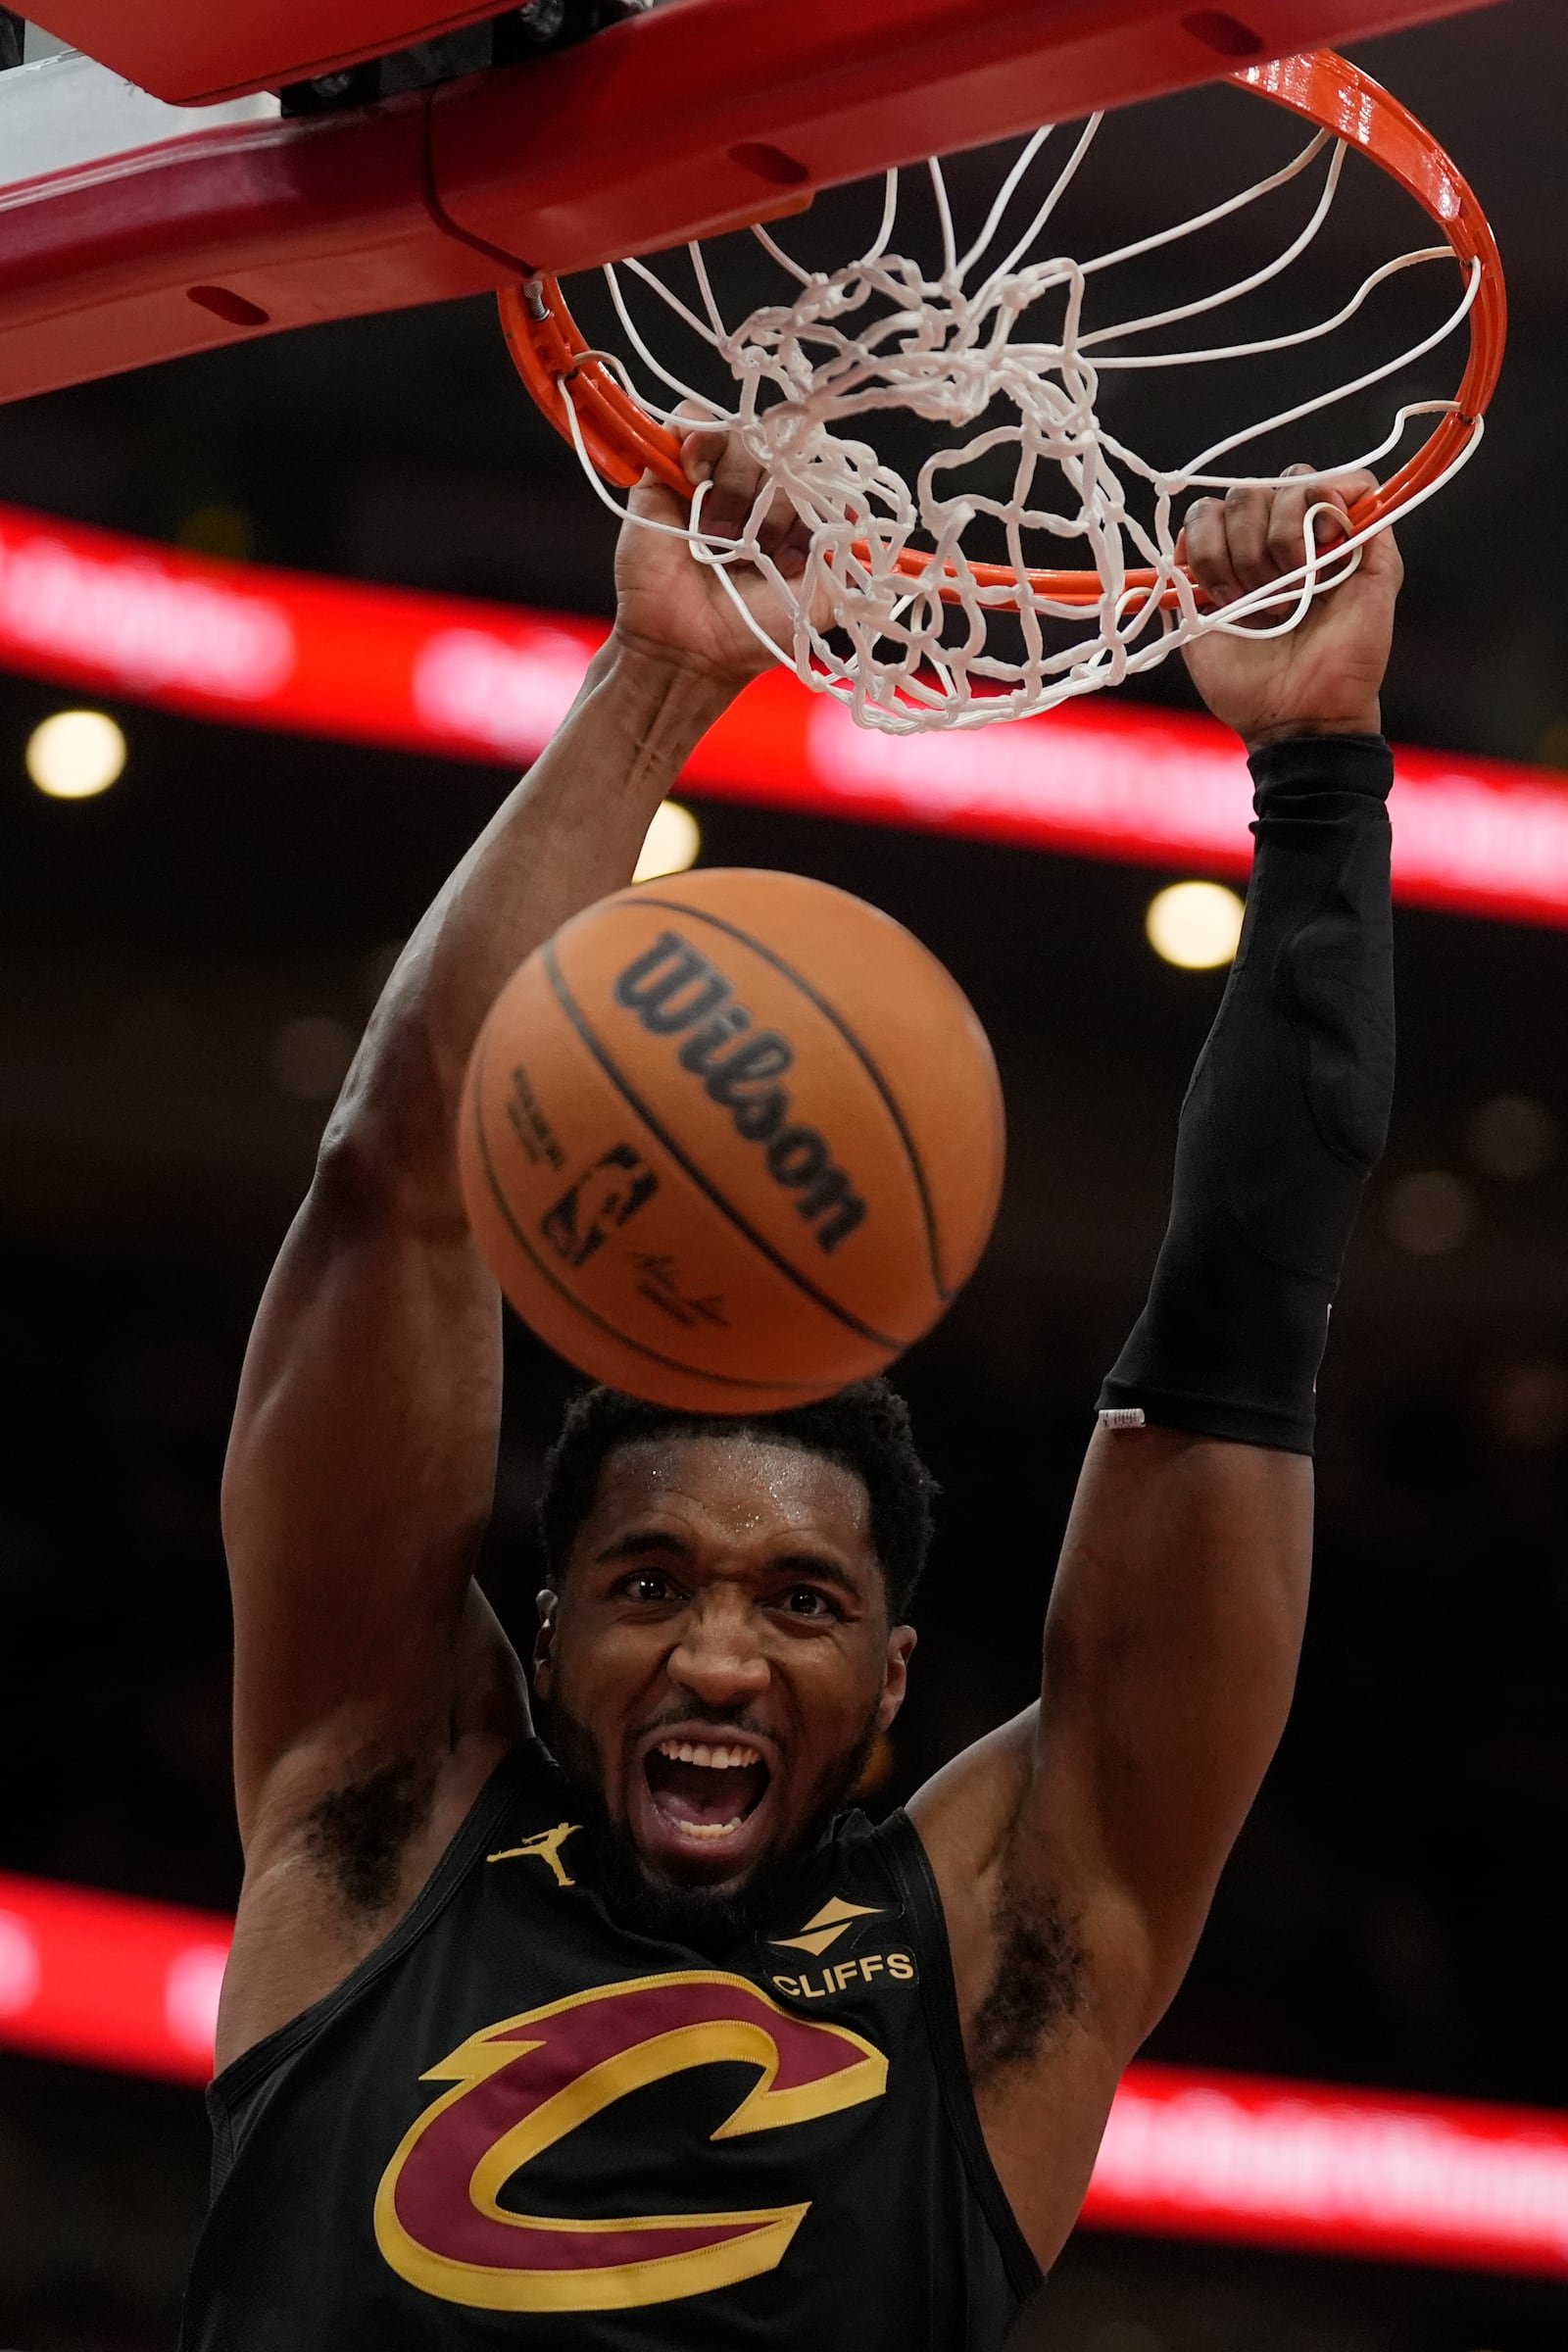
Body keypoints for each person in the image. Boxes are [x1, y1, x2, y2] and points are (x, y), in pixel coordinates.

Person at [178, 440, 1400, 2349]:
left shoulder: (997, 1953)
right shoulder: (380, 1817)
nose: (720, 1657)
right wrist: (656, 672)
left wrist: (1317, 772)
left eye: (799, 1600)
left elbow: (1236, 1353)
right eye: (651, 1582)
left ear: (894, 1682)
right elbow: (394, 1196)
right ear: (546, 1619)